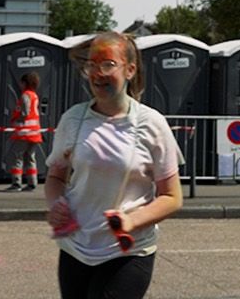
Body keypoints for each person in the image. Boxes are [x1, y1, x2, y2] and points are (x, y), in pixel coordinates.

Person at [46, 31, 183, 299]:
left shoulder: (151, 123)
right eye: (91, 65)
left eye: (108, 64)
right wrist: (56, 204)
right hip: (76, 249)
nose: (98, 73)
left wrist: (131, 220)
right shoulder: (73, 119)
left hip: (128, 251)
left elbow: (172, 197)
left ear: (130, 70)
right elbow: (55, 178)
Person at [6, 71, 45, 190]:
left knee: (17, 156)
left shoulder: (25, 95)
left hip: (24, 133)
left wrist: (16, 119)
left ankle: (16, 183)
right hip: (35, 133)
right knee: (30, 158)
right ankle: (32, 182)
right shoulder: (34, 95)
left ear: (25, 83)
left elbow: (25, 113)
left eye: (21, 83)